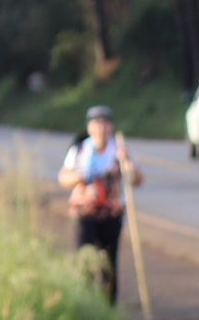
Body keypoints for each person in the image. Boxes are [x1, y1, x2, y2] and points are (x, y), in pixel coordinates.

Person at [58, 105, 140, 304]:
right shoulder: (79, 150)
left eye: (104, 123)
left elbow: (136, 180)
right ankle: (83, 304)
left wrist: (127, 166)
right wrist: (81, 176)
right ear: (89, 127)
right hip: (84, 214)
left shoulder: (118, 152)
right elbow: (63, 178)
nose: (101, 128)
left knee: (108, 265)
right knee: (84, 262)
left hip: (111, 215)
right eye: (96, 124)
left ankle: (107, 309)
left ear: (110, 126)